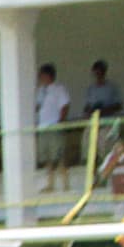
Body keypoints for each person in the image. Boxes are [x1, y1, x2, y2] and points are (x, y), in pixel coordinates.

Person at [34, 63, 70, 193]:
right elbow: (37, 106)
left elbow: (65, 106)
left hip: (54, 125)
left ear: (48, 75)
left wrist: (61, 121)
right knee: (47, 157)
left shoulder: (59, 89)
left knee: (59, 156)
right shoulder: (41, 91)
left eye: (41, 75)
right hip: (43, 127)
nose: (40, 78)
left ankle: (65, 183)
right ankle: (50, 183)